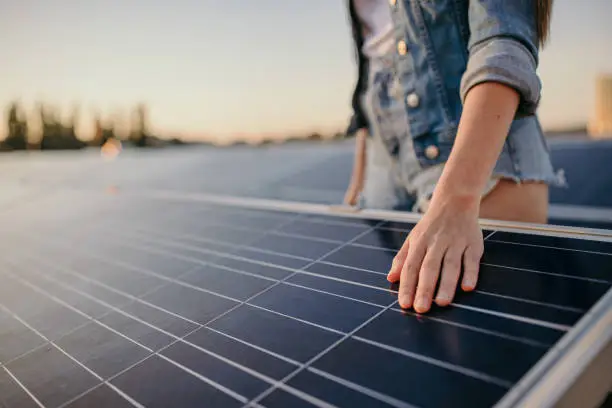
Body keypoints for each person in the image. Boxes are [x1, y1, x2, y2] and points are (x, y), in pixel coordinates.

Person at [342, 0, 565, 314]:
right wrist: (360, 176)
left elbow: (502, 41)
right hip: (384, 162)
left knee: (473, 343)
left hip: (472, 152)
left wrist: (458, 195)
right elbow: (368, 68)